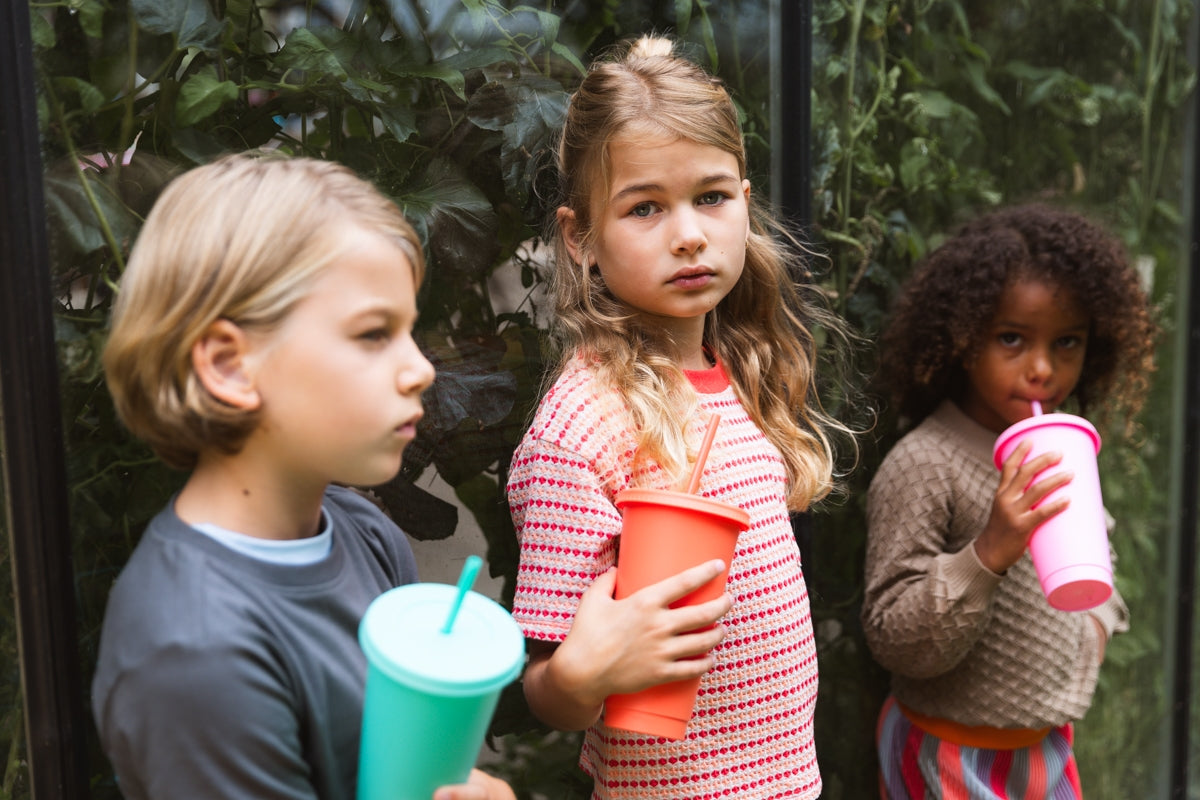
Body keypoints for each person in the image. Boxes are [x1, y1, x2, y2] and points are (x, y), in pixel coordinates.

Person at [91, 153, 516, 800]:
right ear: (231, 366)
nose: (421, 368)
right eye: (374, 334)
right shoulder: (192, 651)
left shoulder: (363, 530)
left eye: (410, 331)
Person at [505, 35, 854, 800]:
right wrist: (587, 672)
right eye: (645, 207)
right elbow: (545, 689)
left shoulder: (739, 370)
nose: (689, 232)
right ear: (581, 236)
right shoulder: (582, 427)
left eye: (711, 196)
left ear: (745, 203)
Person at [861, 203, 1158, 798]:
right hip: (947, 751)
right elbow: (892, 636)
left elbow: (1096, 551)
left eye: (1067, 342)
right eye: (1012, 339)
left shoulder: (1062, 448)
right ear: (964, 338)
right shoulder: (926, 463)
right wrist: (991, 548)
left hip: (1046, 748)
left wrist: (1096, 621)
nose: (1043, 368)